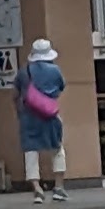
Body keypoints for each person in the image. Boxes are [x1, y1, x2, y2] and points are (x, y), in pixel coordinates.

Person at [16, 35, 68, 189]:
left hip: (29, 115)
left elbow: (17, 92)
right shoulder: (55, 70)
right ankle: (59, 186)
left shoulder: (24, 71)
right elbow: (61, 87)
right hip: (50, 114)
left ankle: (36, 187)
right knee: (57, 148)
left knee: (31, 150)